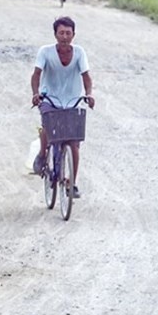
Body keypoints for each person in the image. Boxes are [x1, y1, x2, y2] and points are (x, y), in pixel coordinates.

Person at [31, 16, 95, 199]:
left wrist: (89, 94)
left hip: (73, 100)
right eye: (61, 33)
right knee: (48, 126)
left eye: (68, 33)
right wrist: (36, 93)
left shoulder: (80, 53)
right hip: (49, 98)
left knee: (74, 142)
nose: (65, 37)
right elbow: (36, 74)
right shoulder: (45, 52)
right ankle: (43, 155)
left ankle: (72, 183)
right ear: (55, 34)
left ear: (74, 34)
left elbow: (87, 77)